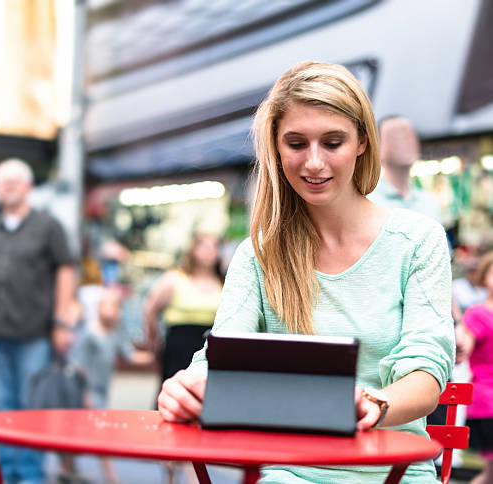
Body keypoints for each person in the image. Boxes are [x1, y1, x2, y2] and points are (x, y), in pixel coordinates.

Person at [157, 61, 455, 484]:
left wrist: (375, 403)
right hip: (289, 473)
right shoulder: (258, 254)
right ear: (276, 149)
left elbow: (426, 372)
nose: (313, 163)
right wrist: (189, 386)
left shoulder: (417, 240)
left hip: (395, 470)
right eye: (296, 143)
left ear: (363, 143)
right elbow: (221, 354)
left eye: (332, 142)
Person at [0, 159, 77, 484]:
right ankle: (3, 473)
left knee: (32, 409)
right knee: (1, 407)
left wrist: (61, 322)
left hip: (35, 332)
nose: (9, 186)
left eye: (16, 181)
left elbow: (66, 271)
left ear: (29, 187)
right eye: (3, 182)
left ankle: (30, 476)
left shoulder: (47, 225)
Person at [63, 288, 154, 484]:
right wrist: (84, 393)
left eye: (115, 307)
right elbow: (79, 367)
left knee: (81, 434)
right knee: (99, 435)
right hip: (86, 393)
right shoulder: (89, 335)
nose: (111, 311)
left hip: (101, 393)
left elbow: (129, 356)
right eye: (106, 306)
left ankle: (66, 468)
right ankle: (111, 478)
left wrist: (154, 356)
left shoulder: (115, 335)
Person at [144, 233, 224, 384]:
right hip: (179, 345)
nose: (209, 251)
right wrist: (153, 339)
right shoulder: (174, 278)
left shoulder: (224, 282)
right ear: (193, 250)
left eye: (214, 247)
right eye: (204, 246)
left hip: (210, 347)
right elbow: (150, 309)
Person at [368, 115, 442, 222]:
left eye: (410, 136)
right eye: (397, 137)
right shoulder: (369, 203)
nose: (406, 142)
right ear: (377, 148)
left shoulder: (428, 202)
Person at [459, 251, 493, 484]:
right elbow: (463, 347)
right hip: (487, 400)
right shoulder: (477, 313)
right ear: (485, 277)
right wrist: (459, 343)